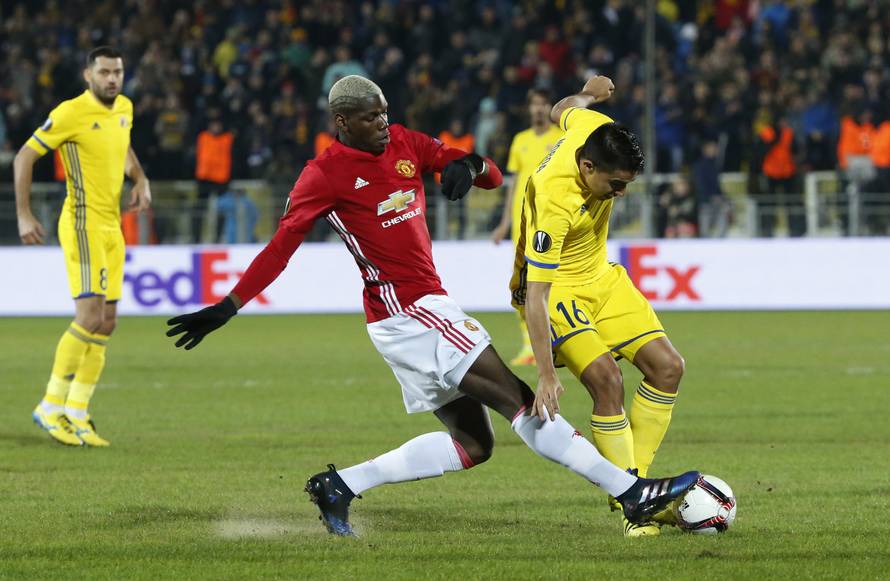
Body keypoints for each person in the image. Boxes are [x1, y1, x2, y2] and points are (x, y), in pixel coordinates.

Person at [165, 75, 698, 536]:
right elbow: (281, 247)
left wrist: (469, 165)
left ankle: (340, 484)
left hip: (411, 315)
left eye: (384, 113)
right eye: (370, 118)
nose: (383, 124)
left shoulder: (404, 142)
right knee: (523, 402)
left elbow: (491, 175)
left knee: (473, 444)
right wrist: (229, 305)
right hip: (410, 312)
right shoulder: (323, 175)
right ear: (342, 122)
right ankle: (632, 493)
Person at [509, 76, 691, 537]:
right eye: (615, 183)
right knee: (607, 381)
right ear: (587, 166)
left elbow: (562, 109)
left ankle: (631, 487)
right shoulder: (556, 200)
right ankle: (636, 504)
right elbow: (537, 294)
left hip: (603, 279)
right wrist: (545, 374)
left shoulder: (592, 126)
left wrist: (588, 94)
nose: (621, 193)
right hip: (559, 292)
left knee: (669, 368)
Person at [14, 46, 151, 447]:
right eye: (104, 72)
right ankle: (50, 405)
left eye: (117, 72)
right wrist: (24, 214)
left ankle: (76, 411)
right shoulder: (70, 113)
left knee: (107, 322)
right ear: (88, 75)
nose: (112, 79)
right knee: (89, 316)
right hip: (82, 223)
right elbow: (24, 157)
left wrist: (140, 178)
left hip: (111, 225)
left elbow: (123, 146)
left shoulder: (124, 107)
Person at [490, 88, 563, 366]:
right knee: (522, 284)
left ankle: (559, 342)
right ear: (529, 108)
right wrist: (504, 223)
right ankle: (528, 346)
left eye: (544, 104)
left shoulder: (561, 137)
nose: (539, 109)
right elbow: (513, 184)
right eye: (535, 104)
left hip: (550, 219)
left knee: (553, 284)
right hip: (522, 223)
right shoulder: (520, 140)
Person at [194, 118, 234, 243]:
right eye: (213, 125)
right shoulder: (203, 137)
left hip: (221, 179)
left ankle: (218, 238)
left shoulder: (227, 138)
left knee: (221, 210)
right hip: (204, 178)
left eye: (218, 125)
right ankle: (196, 237)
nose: (216, 128)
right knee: (200, 209)